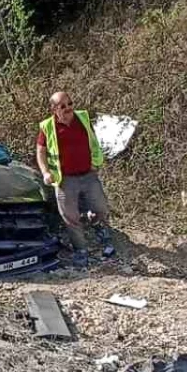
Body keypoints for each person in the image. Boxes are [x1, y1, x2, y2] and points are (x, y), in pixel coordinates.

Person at [35, 91, 115, 267]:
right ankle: (81, 250)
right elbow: (40, 151)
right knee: (70, 218)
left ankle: (97, 226)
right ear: (54, 109)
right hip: (65, 180)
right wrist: (46, 172)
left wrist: (95, 162)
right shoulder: (48, 126)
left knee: (101, 208)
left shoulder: (82, 118)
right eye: (63, 106)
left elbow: (94, 141)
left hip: (88, 175)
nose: (69, 108)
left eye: (70, 103)